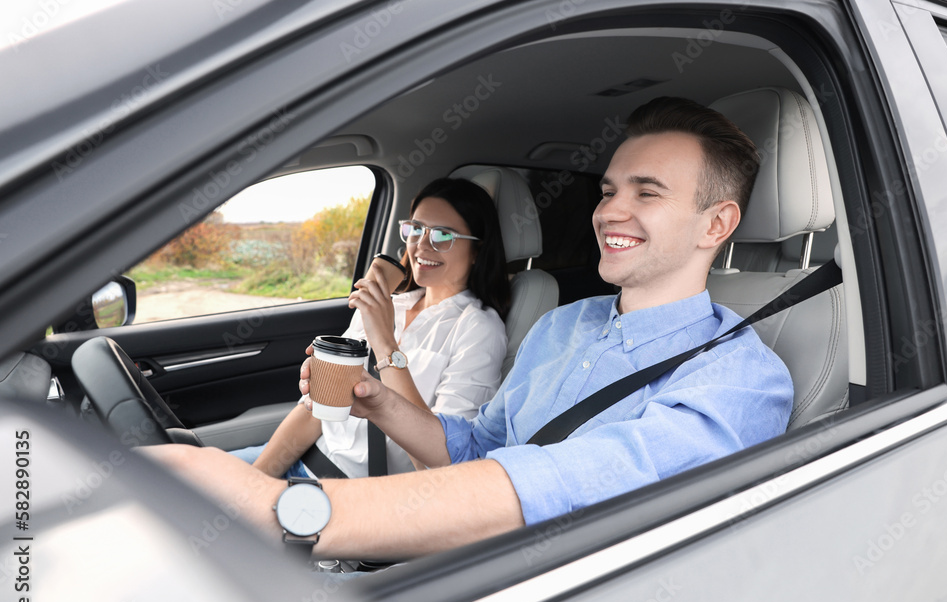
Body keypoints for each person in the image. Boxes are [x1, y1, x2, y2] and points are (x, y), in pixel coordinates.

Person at [145, 96, 795, 563]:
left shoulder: (739, 378)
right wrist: (375, 401)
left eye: (646, 193)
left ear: (715, 224)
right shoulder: (561, 324)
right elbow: (478, 445)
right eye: (606, 190)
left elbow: (567, 486)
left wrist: (284, 510)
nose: (609, 211)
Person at [232, 177, 510, 479]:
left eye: (443, 235)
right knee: (188, 471)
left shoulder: (478, 328)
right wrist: (257, 480)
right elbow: (315, 408)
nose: (421, 245)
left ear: (478, 251)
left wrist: (384, 340)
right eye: (415, 229)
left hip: (352, 490)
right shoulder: (390, 303)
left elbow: (443, 464)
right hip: (305, 457)